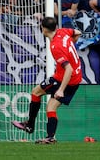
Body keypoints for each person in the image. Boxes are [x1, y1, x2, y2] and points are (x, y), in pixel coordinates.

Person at [12, 16, 82, 144]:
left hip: (66, 79)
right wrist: (71, 46)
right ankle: (50, 137)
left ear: (44, 29)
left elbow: (69, 70)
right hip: (75, 78)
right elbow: (78, 33)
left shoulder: (56, 46)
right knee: (51, 107)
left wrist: (61, 90)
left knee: (36, 92)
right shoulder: (63, 32)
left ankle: (30, 125)